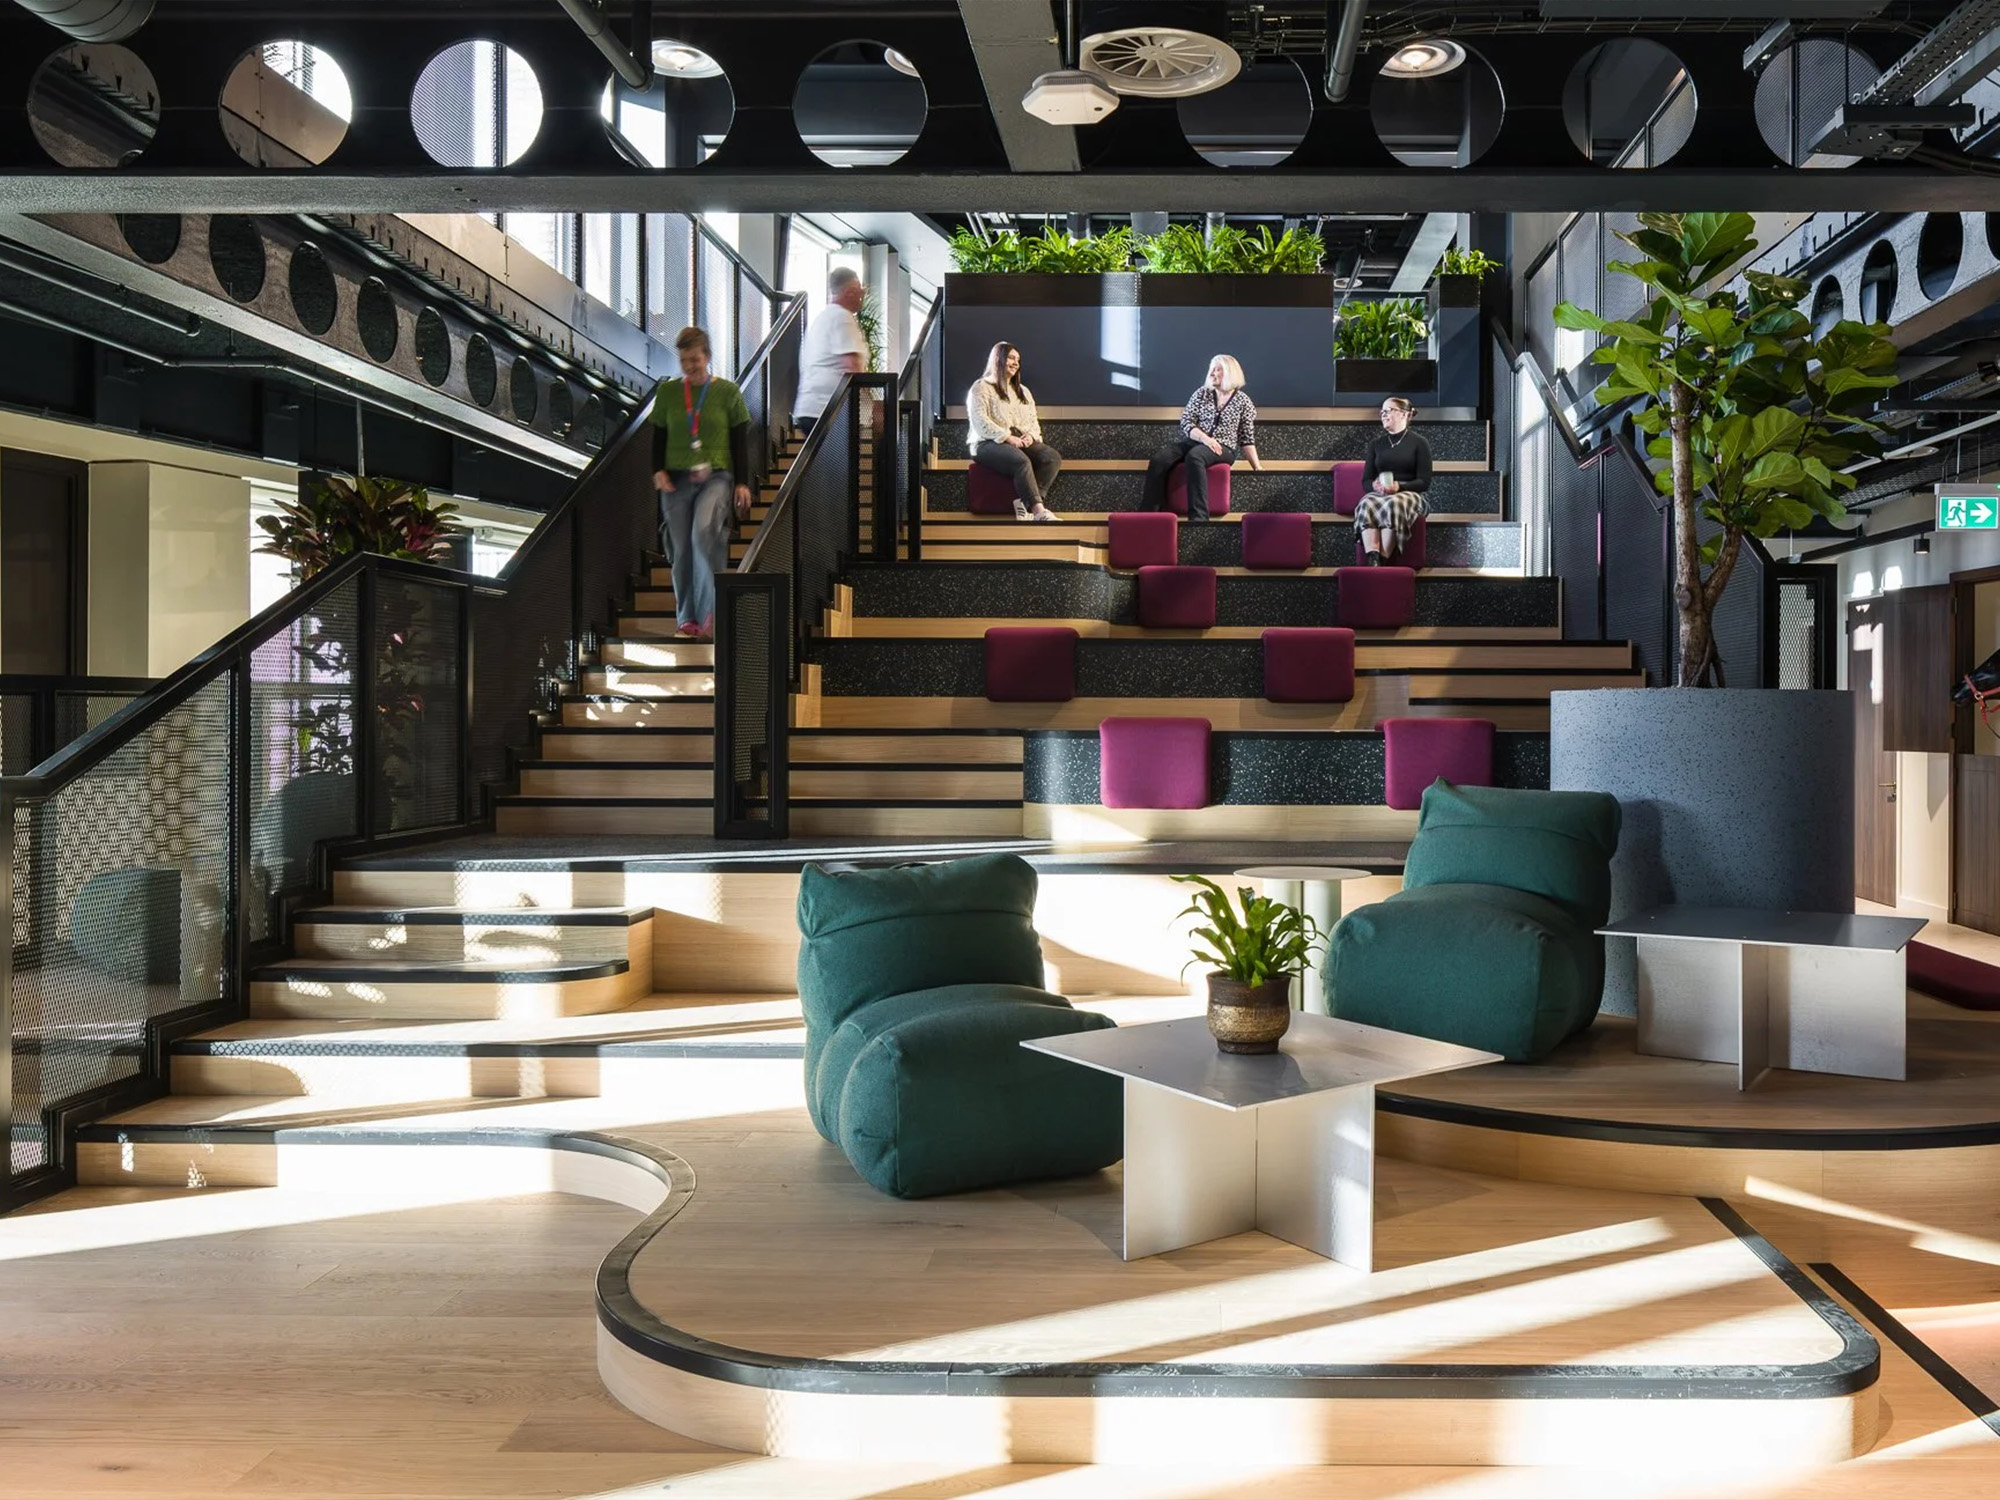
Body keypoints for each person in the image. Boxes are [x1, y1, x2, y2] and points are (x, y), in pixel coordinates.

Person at [650, 325, 753, 640]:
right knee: (681, 549)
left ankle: (710, 614)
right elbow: (659, 435)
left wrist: (742, 482)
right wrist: (658, 470)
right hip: (676, 480)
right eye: (684, 360)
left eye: (694, 359)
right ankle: (687, 619)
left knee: (702, 534)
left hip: (716, 477)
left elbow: (739, 440)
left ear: (707, 357)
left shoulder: (728, 393)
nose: (689, 366)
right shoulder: (668, 393)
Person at [1141, 354, 1263, 521]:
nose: (1212, 373)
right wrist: (1205, 439)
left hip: (1224, 448)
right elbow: (1187, 422)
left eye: (1218, 369)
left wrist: (1257, 467)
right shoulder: (1201, 393)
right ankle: (1149, 514)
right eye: (1211, 369)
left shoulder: (1244, 402)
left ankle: (1199, 517)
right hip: (1196, 440)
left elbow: (1246, 438)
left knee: (1195, 456)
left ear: (1230, 372)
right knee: (1160, 459)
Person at [966, 341, 1060, 523]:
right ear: (998, 359)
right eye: (1011, 358)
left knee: (1052, 457)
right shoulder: (981, 387)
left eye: (1018, 359)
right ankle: (1039, 511)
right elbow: (980, 420)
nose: (1016, 363)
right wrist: (1007, 437)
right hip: (985, 442)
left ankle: (1025, 503)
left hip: (1017, 439)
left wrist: (1030, 436)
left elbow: (1033, 420)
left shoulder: (1023, 391)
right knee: (1021, 461)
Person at [1354, 396, 1432, 565]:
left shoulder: (1420, 443)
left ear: (1404, 414)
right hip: (1381, 494)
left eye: (1388, 410)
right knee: (1366, 502)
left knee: (1394, 503)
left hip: (1410, 494)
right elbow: (1366, 480)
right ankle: (1373, 558)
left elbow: (1424, 482)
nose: (1383, 414)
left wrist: (1399, 486)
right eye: (1382, 411)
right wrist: (1375, 486)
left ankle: (1383, 559)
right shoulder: (1376, 444)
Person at [793, 266, 868, 437]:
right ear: (850, 292)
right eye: (860, 290)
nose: (863, 294)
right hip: (829, 409)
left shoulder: (821, 319)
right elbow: (853, 366)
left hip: (809, 408)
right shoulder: (842, 317)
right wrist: (871, 406)